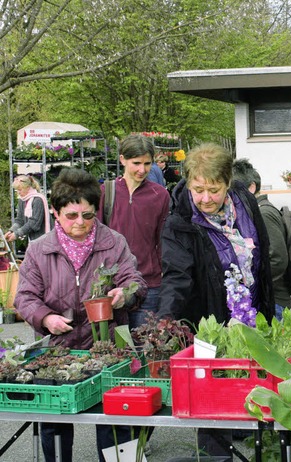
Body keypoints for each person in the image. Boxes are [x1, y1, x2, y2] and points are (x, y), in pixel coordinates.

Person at [13, 168, 147, 462]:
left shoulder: (113, 242)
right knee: (55, 428)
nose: (81, 223)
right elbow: (24, 298)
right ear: (55, 212)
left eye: (87, 215)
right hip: (57, 355)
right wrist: (47, 318)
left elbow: (135, 282)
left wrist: (124, 294)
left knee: (116, 426)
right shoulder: (39, 250)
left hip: (108, 352)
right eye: (71, 216)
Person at [156, 143, 275, 461]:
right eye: (198, 189)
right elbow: (176, 278)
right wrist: (164, 319)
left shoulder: (245, 202)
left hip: (253, 314)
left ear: (228, 183)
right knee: (214, 407)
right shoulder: (179, 223)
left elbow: (261, 255)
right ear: (189, 182)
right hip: (211, 325)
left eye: (214, 189)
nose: (206, 198)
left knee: (259, 395)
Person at [98, 134, 170, 330]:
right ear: (122, 159)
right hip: (112, 284)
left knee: (145, 350)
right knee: (113, 349)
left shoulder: (160, 195)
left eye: (147, 164)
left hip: (149, 283)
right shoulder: (106, 192)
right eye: (136, 163)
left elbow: (163, 239)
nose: (142, 169)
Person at [232, 158, 290, 318]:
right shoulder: (254, 212)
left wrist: (254, 280)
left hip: (275, 299)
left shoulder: (263, 214)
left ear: (251, 187)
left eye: (235, 190)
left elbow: (278, 259)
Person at [4, 175, 50, 244]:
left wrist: (17, 234)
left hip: (44, 239)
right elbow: (20, 220)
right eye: (17, 190)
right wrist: (11, 231)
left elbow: (34, 224)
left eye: (20, 189)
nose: (18, 192)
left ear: (28, 188)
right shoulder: (22, 200)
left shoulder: (38, 200)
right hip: (32, 240)